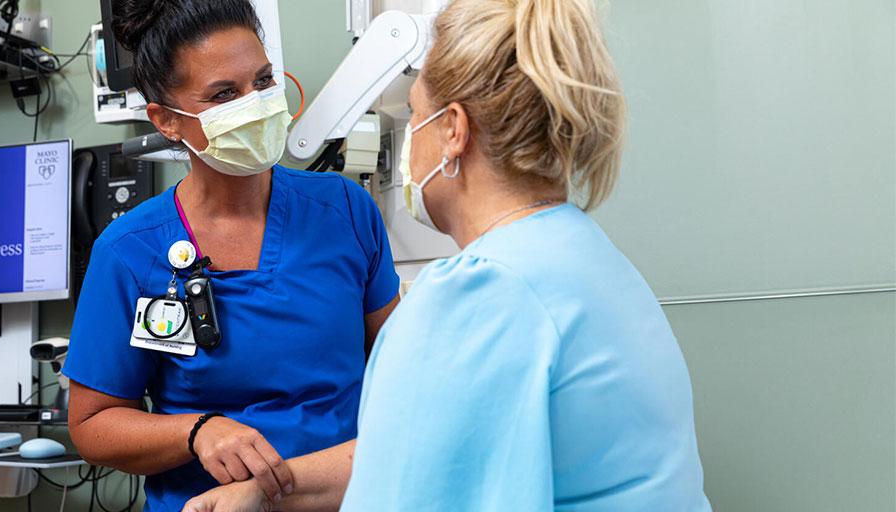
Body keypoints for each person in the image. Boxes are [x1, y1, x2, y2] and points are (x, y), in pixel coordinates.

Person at [183, 0, 712, 510]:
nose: (413, 139)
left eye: (415, 116)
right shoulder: (585, 255)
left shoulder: (476, 297)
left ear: (453, 131)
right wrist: (272, 489)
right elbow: (427, 456)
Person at [61, 1, 400, 510]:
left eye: (263, 81)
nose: (257, 103)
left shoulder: (343, 210)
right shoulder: (130, 251)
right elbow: (93, 426)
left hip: (339, 495)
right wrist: (198, 432)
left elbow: (399, 372)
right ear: (166, 121)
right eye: (224, 94)